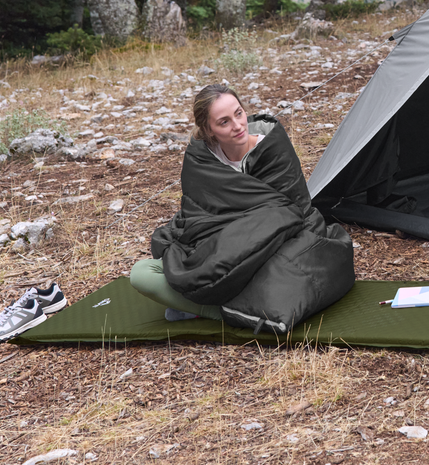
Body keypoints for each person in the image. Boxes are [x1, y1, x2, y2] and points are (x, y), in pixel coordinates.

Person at [130, 84, 355, 334]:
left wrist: (249, 243)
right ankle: (237, 308)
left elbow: (295, 210)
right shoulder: (200, 158)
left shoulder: (271, 149)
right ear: (209, 130)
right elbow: (199, 212)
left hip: (281, 241)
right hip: (219, 243)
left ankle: (211, 310)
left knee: (297, 269)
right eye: (224, 122)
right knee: (141, 274)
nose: (237, 125)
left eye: (239, 113)